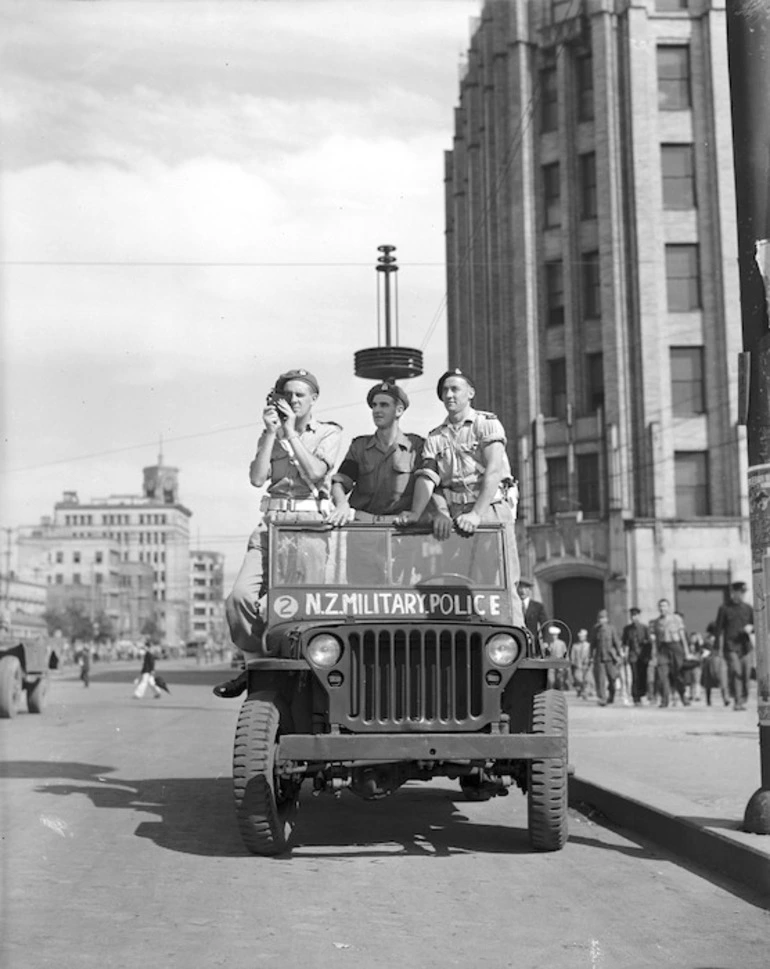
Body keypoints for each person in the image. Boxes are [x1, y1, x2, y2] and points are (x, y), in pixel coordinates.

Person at [214, 368, 342, 699]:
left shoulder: (328, 433)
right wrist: (272, 433)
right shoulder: (269, 433)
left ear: (314, 399)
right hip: (271, 525)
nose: (294, 400)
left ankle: (305, 677)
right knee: (241, 597)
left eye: (301, 395)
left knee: (296, 608)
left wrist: (290, 433)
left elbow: (316, 472)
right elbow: (258, 478)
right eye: (288, 395)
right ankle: (255, 665)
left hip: (308, 529)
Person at [397, 368, 524, 625]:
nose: (449, 394)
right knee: (458, 581)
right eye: (445, 390)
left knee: (501, 581)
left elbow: (494, 470)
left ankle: (513, 640)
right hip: (455, 518)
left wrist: (476, 514)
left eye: (455, 389)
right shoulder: (435, 437)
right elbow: (431, 481)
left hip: (490, 510)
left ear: (471, 393)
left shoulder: (486, 424)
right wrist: (439, 512)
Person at [329, 380, 424, 583]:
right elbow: (341, 481)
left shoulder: (415, 446)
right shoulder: (360, 447)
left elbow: (427, 486)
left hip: (400, 534)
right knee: (362, 598)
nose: (377, 410)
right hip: (363, 535)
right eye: (374, 405)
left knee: (400, 599)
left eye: (384, 405)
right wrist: (342, 504)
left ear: (399, 410)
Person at [713, 581, 755, 712]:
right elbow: (718, 629)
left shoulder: (748, 608)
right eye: (739, 592)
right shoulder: (724, 608)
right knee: (737, 672)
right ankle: (737, 701)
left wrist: (751, 628)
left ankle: (744, 698)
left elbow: (756, 625)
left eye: (743, 593)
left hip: (746, 647)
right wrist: (716, 648)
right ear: (733, 593)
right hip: (730, 647)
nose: (741, 595)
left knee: (746, 675)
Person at [649, 598, 690, 708]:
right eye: (661, 606)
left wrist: (686, 651)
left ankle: (683, 696)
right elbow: (656, 640)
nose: (662, 608)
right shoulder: (657, 622)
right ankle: (665, 700)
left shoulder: (676, 618)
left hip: (675, 647)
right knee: (662, 675)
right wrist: (655, 653)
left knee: (678, 675)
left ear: (669, 607)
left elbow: (682, 635)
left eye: (665, 606)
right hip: (663, 649)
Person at [590, 609, 622, 706]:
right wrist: (590, 656)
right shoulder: (595, 629)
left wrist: (620, 654)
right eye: (600, 618)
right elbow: (592, 644)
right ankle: (603, 699)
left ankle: (611, 695)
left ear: (607, 619)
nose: (601, 620)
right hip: (599, 658)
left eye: (603, 618)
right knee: (601, 679)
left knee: (612, 678)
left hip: (610, 657)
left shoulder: (611, 628)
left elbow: (616, 642)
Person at [622, 607, 652, 706]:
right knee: (634, 676)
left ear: (639, 616)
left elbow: (649, 642)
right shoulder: (627, 629)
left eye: (635, 615)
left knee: (643, 675)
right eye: (632, 615)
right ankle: (636, 697)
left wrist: (648, 655)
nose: (634, 617)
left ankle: (643, 694)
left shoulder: (644, 628)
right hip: (633, 655)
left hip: (643, 656)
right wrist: (625, 654)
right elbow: (625, 643)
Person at [701, 621, 729, 707]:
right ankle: (724, 699)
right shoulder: (718, 638)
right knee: (720, 681)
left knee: (717, 681)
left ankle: (714, 700)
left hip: (713, 661)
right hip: (716, 660)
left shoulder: (717, 638)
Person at [519, 578, 548, 649]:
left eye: (525, 588)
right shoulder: (513, 606)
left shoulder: (537, 606)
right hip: (517, 642)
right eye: (521, 588)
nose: (523, 591)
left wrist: (545, 641)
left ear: (530, 590)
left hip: (533, 643)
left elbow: (545, 624)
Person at [570, 628, 593, 699]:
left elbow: (591, 655)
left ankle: (585, 693)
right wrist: (573, 662)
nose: (581, 637)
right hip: (578, 665)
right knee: (578, 679)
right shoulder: (575, 646)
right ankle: (580, 690)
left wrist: (590, 661)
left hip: (587, 665)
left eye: (582, 636)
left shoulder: (589, 646)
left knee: (587, 679)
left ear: (585, 637)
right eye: (580, 636)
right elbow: (572, 655)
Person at [545, 625, 569, 690]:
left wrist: (566, 662)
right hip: (551, 663)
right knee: (551, 679)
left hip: (559, 662)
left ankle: (560, 690)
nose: (554, 636)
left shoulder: (561, 643)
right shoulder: (548, 644)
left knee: (560, 678)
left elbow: (565, 653)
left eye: (555, 635)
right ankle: (551, 689)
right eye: (552, 635)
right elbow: (546, 654)